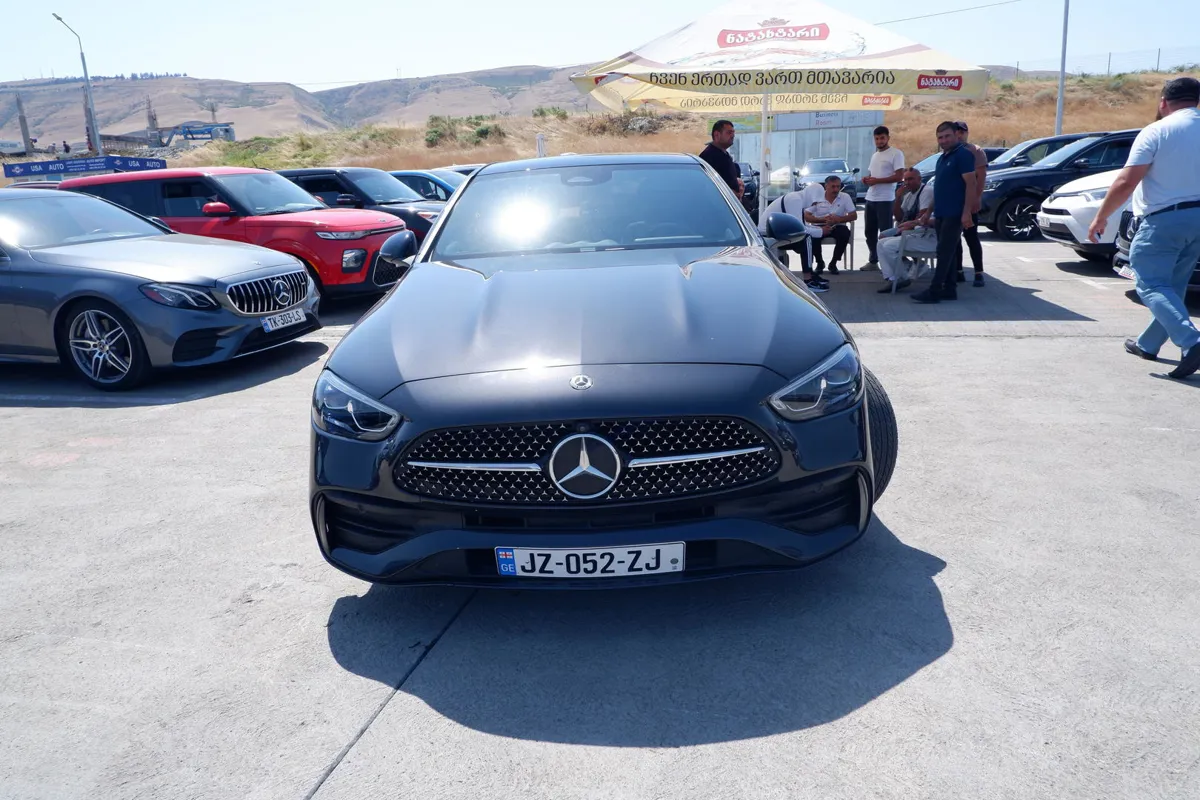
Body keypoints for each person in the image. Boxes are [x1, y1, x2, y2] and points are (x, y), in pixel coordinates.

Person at [1087, 76, 1200, 379]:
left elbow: (1127, 181)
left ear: (1163, 103)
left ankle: (1192, 341)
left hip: (1164, 219)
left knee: (1150, 283)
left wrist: (1101, 217)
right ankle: (1148, 344)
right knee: (1173, 285)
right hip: (1197, 219)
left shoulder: (1158, 130)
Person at [912, 122, 977, 304]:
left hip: (954, 213)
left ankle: (934, 291)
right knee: (949, 252)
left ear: (956, 135)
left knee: (944, 252)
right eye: (940, 137)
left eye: (947, 136)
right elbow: (939, 190)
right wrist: (928, 212)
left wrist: (966, 212)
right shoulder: (942, 158)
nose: (944, 140)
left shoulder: (963, 155)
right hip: (940, 213)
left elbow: (971, 184)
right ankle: (950, 289)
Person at [876, 168, 935, 293]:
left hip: (923, 234)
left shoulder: (927, 191)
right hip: (909, 230)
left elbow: (923, 218)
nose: (907, 182)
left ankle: (903, 276)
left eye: (911, 179)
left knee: (888, 246)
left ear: (919, 179)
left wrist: (908, 225)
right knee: (881, 242)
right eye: (905, 180)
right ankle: (893, 278)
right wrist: (898, 197)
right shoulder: (908, 195)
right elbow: (899, 217)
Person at [760, 188, 830, 293]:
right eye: (815, 202)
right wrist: (821, 231)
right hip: (769, 235)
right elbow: (801, 229)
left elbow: (801, 226)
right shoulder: (795, 200)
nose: (814, 204)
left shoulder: (798, 199)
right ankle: (808, 280)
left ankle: (811, 273)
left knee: (812, 237)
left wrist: (820, 230)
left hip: (777, 232)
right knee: (807, 239)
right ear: (811, 195)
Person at [860, 125, 905, 271]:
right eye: (877, 139)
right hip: (870, 198)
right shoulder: (875, 155)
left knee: (885, 233)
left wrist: (877, 181)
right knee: (869, 232)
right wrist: (867, 179)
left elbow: (899, 176)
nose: (879, 141)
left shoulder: (896, 154)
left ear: (888, 138)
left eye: (882, 138)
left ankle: (889, 264)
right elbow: (874, 175)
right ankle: (873, 260)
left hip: (885, 199)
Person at [952, 121, 987, 287]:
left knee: (971, 237)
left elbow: (981, 177)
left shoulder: (975, 151)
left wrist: (977, 198)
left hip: (969, 200)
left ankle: (978, 273)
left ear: (967, 133)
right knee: (955, 239)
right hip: (954, 202)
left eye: (962, 132)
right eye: (956, 132)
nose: (959, 135)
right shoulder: (950, 151)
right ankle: (958, 271)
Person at [800, 176, 857, 275]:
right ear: (826, 186)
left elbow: (853, 215)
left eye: (838, 186)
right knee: (813, 236)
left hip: (838, 224)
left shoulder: (845, 197)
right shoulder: (818, 197)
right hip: (819, 224)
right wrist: (822, 219)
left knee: (844, 234)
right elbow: (806, 216)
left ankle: (833, 263)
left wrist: (839, 219)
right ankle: (820, 263)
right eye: (833, 186)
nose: (836, 189)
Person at [698, 120, 743, 199]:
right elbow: (709, 186)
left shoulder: (725, 155)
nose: (733, 135)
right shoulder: (708, 156)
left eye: (733, 132)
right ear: (717, 134)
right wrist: (731, 193)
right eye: (729, 132)